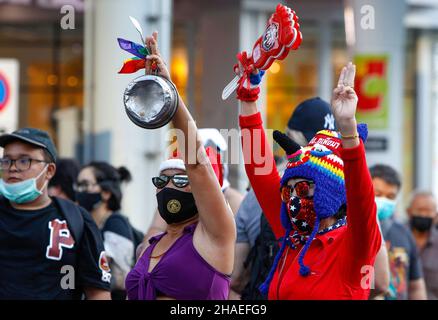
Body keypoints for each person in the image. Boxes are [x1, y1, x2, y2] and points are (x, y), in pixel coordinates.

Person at [236, 61, 381, 299]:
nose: (293, 199)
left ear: (331, 192)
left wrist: (348, 130)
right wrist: (248, 98)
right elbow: (260, 172)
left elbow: (361, 197)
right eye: (288, 191)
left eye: (303, 188)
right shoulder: (291, 235)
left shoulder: (354, 246)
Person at [124, 31, 236, 300]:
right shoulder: (151, 245)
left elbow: (196, 163)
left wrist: (169, 93)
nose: (170, 186)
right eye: (162, 181)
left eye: (181, 181)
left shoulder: (215, 234)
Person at [0, 128, 111, 299]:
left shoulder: (76, 220)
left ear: (49, 171)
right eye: (6, 161)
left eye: (24, 161)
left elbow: (97, 293)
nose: (12, 168)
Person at [142, 127, 243, 257]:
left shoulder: (234, 201)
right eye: (164, 179)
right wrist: (146, 260)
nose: (171, 184)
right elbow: (156, 229)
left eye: (180, 179)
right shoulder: (174, 195)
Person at [76, 161, 134, 300]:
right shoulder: (88, 225)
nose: (79, 191)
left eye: (85, 185)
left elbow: (99, 267)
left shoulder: (116, 223)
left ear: (106, 193)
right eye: (77, 185)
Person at [370, 164, 427, 300]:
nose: (383, 200)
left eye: (390, 196)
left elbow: (416, 286)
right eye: (377, 194)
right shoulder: (347, 231)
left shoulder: (404, 233)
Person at [406, 190, 438, 299]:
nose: (423, 215)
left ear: (436, 215)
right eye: (419, 210)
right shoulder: (397, 238)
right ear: (409, 212)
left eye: (428, 211)